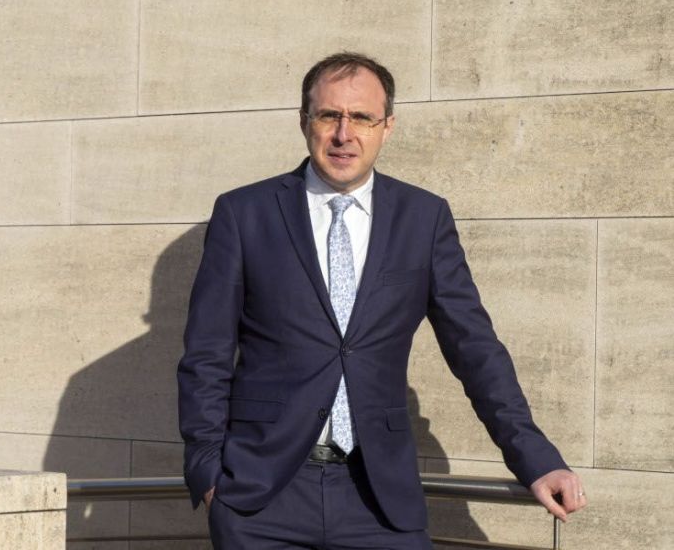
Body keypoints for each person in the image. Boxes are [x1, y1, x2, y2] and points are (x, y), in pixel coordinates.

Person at [177, 52, 587, 549]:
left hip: (380, 498)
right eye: (329, 115)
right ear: (304, 121)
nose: (344, 134)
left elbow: (474, 347)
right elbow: (207, 353)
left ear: (387, 126)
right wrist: (207, 472)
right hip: (262, 499)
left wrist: (536, 459)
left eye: (362, 117)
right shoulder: (244, 214)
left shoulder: (424, 218)